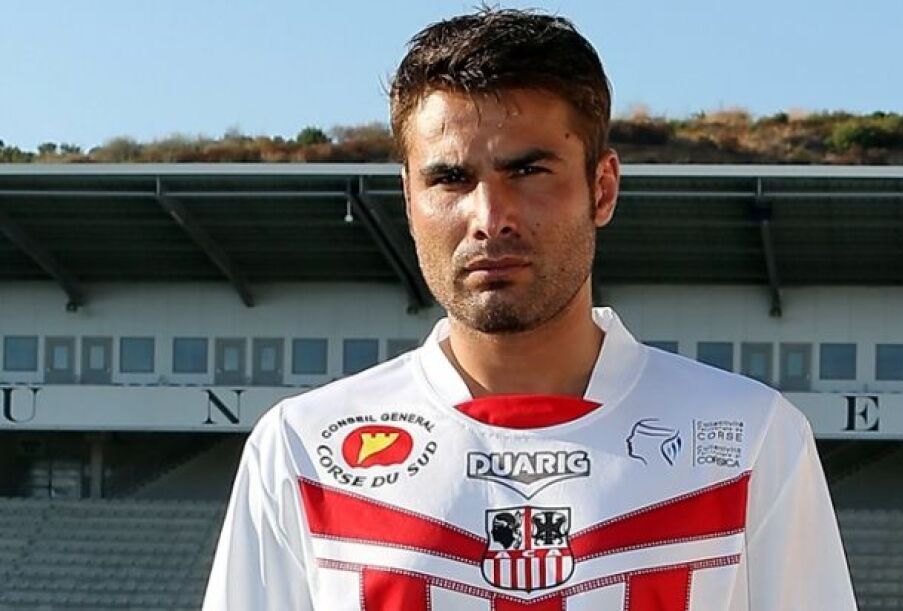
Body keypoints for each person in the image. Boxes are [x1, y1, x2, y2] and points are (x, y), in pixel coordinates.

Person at [204, 8, 857, 610]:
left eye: (527, 172)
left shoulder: (749, 439)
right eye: (450, 179)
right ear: (409, 199)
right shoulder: (302, 448)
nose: (490, 218)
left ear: (602, 188)